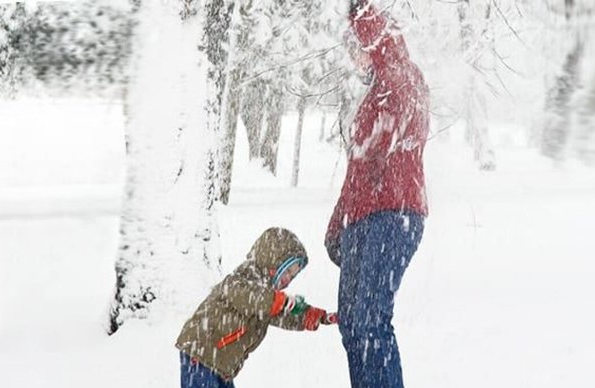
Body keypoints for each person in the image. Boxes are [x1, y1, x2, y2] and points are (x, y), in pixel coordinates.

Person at [324, 2, 430, 387]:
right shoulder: (373, 97)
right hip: (362, 219)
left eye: (356, 46)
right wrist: (338, 226)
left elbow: (387, 51)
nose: (353, 58)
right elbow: (356, 171)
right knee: (351, 323)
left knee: (370, 321)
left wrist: (359, 10)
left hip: (393, 214)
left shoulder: (402, 77)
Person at [176, 227, 337, 388]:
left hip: (222, 363)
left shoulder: (267, 300)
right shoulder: (246, 276)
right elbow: (241, 294)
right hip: (201, 352)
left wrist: (309, 315)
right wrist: (275, 301)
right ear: (271, 260)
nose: (289, 279)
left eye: (293, 275)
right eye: (287, 271)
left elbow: (281, 314)